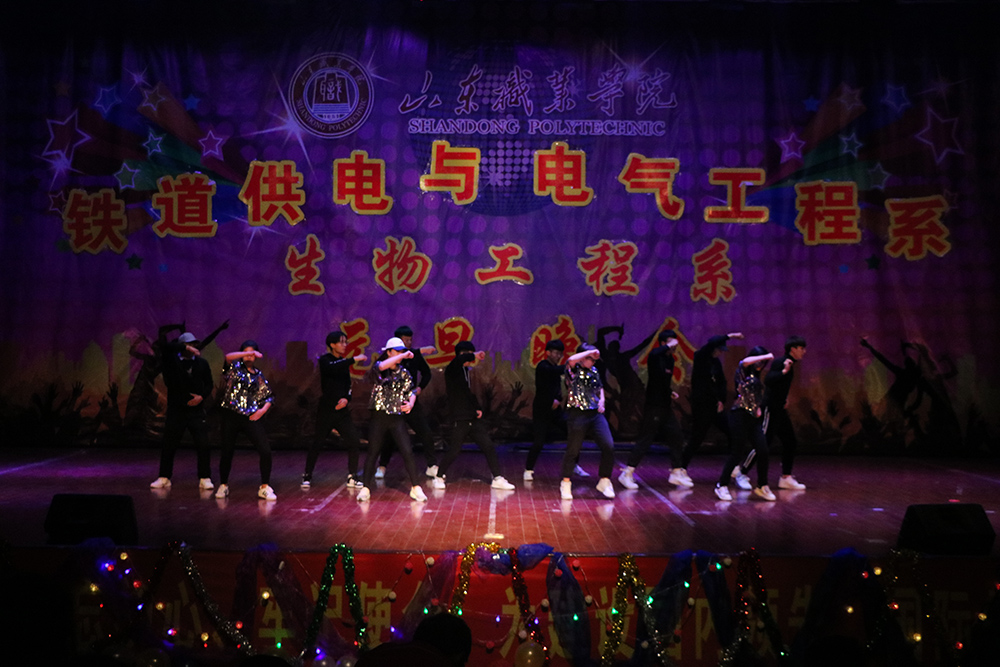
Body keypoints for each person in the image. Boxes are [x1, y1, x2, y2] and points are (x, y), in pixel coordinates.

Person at [432, 341, 515, 491]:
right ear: (460, 355)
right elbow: (459, 360)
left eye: (471, 353)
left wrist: (477, 408)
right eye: (467, 354)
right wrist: (474, 355)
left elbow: (468, 393)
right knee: (455, 450)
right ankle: (438, 477)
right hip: (460, 417)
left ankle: (497, 478)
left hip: (472, 417)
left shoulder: (466, 372)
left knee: (488, 446)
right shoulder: (452, 369)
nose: (470, 357)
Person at [618, 330, 692, 490]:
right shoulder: (655, 356)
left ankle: (676, 472)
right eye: (671, 342)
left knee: (677, 436)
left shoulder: (670, 360)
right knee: (646, 439)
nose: (675, 346)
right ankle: (627, 473)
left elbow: (662, 380)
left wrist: (669, 392)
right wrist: (668, 345)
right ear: (663, 343)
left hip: (665, 406)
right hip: (653, 406)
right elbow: (653, 354)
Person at [357, 337, 426, 502]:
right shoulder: (379, 367)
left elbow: (411, 391)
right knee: (373, 451)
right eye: (397, 351)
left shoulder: (404, 372)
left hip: (396, 417)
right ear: (388, 352)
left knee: (407, 451)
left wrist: (410, 403)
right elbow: (382, 366)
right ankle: (366, 487)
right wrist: (403, 355)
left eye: (402, 351)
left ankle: (416, 487)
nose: (401, 354)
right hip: (379, 416)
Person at [301, 330, 368, 489]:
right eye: (341, 342)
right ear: (332, 345)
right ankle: (307, 474)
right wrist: (353, 359)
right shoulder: (326, 361)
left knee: (353, 440)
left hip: (342, 411)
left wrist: (346, 399)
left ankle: (352, 476)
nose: (345, 345)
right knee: (317, 442)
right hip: (326, 409)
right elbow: (332, 368)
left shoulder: (343, 363)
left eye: (345, 342)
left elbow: (348, 386)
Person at [149, 331, 215, 491]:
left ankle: (205, 477)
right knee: (169, 444)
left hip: (196, 411)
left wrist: (201, 397)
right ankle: (164, 477)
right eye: (188, 344)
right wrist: (184, 347)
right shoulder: (171, 362)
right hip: (176, 410)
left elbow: (209, 384)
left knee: (203, 444)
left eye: (193, 344)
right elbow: (165, 347)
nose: (192, 347)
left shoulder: (202, 363)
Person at [683, 332, 750, 488]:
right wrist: (731, 336)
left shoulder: (716, 363)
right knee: (697, 437)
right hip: (702, 406)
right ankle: (681, 468)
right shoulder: (701, 357)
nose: (720, 353)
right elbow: (712, 342)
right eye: (719, 349)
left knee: (732, 432)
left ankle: (734, 467)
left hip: (715, 407)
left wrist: (721, 400)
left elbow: (721, 383)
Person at [375, 325, 439, 480]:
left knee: (425, 432)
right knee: (389, 436)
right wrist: (420, 350)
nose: (408, 343)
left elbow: (426, 373)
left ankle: (431, 466)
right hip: (391, 404)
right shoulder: (388, 358)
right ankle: (382, 466)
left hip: (410, 400)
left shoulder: (414, 356)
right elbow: (380, 368)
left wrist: (419, 388)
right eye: (405, 340)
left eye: (410, 340)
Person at [215, 340, 276, 500]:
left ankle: (264, 487)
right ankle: (223, 485)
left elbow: (269, 396)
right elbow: (228, 357)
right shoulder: (234, 369)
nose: (249, 355)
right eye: (246, 352)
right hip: (231, 415)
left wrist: (261, 411)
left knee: (265, 450)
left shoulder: (258, 375)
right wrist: (247, 353)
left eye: (252, 352)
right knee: (227, 451)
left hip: (250, 416)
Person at [715, 346, 775, 502]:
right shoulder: (742, 372)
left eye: (763, 363)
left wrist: (758, 408)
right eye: (759, 361)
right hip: (739, 415)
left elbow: (755, 396)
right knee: (737, 452)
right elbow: (744, 361)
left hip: (753, 418)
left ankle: (762, 486)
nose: (761, 364)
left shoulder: (757, 376)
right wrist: (766, 355)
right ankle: (722, 485)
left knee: (763, 450)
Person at [560, 344, 617, 500]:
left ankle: (604, 481)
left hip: (595, 414)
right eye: (589, 358)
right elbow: (571, 360)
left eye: (594, 359)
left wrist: (602, 400)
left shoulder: (594, 371)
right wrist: (590, 351)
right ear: (582, 357)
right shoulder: (573, 370)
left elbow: (600, 387)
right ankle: (566, 483)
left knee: (608, 445)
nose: (592, 362)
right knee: (573, 450)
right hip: (577, 414)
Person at [762, 335, 808, 490]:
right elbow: (768, 380)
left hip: (779, 409)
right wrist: (783, 371)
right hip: (771, 408)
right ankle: (741, 472)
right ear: (792, 349)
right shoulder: (782, 362)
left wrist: (784, 398)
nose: (804, 351)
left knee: (790, 441)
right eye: (801, 348)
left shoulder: (790, 364)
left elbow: (779, 386)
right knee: (764, 442)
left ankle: (786, 477)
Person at [524, 339, 567, 481]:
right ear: (548, 353)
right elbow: (545, 387)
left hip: (555, 410)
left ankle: (573, 465)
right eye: (555, 353)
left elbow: (558, 389)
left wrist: (558, 399)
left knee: (573, 433)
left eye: (560, 353)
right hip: (542, 410)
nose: (558, 356)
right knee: (539, 441)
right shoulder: (543, 366)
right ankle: (528, 469)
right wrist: (571, 364)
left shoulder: (556, 369)